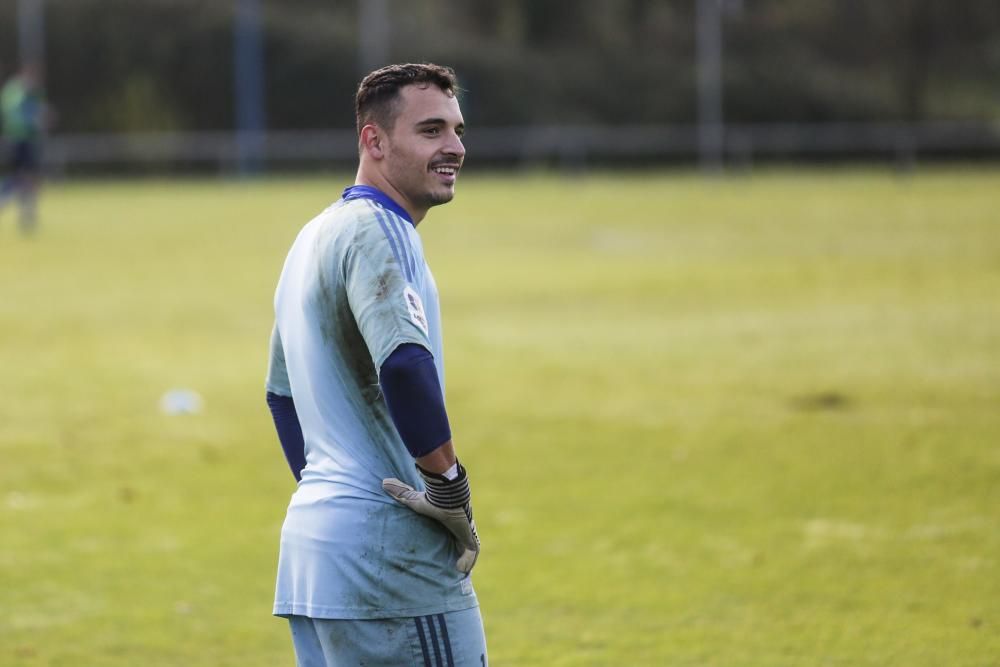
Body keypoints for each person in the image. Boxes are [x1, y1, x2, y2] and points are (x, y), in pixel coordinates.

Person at [264, 63, 486, 666]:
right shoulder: (379, 230)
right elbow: (406, 364)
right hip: (392, 567)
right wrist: (448, 488)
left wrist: (335, 502)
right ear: (374, 141)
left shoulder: (312, 236)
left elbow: (282, 399)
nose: (455, 148)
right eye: (432, 130)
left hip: (317, 558)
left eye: (457, 130)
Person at [0, 63, 48, 234]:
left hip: (27, 140)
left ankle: (27, 214)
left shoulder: (29, 93)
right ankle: (21, 210)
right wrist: (35, 119)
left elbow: (37, 113)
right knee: (21, 178)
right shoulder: (15, 91)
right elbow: (17, 114)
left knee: (28, 179)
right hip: (18, 140)